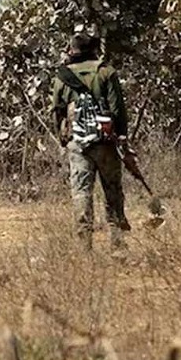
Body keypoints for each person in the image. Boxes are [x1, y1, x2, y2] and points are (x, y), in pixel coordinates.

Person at [51, 35, 131, 250]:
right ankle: (117, 246)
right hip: (105, 142)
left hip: (77, 143)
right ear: (94, 49)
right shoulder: (106, 72)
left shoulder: (62, 76)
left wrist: (63, 139)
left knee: (81, 192)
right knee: (112, 190)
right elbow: (117, 110)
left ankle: (84, 247)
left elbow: (58, 111)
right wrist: (121, 137)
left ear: (71, 50)